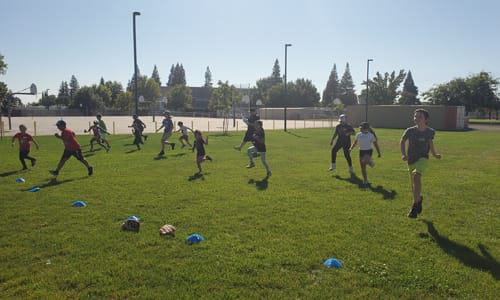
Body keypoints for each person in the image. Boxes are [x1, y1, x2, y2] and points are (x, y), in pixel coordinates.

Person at [400, 109, 442, 218]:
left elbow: (430, 143)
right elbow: (402, 141)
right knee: (414, 187)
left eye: (420, 117)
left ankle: (413, 209)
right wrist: (404, 154)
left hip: (423, 158)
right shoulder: (409, 131)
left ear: (426, 119)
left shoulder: (430, 132)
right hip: (411, 159)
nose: (416, 119)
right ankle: (418, 201)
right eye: (415, 116)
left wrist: (434, 154)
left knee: (416, 176)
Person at [349, 122, 381, 186]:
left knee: (364, 161)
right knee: (363, 167)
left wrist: (378, 152)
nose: (360, 129)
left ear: (367, 129)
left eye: (362, 128)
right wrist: (351, 148)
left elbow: (375, 145)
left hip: (368, 151)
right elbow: (355, 143)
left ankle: (370, 161)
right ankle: (365, 180)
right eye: (360, 128)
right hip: (361, 151)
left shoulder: (371, 135)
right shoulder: (358, 135)